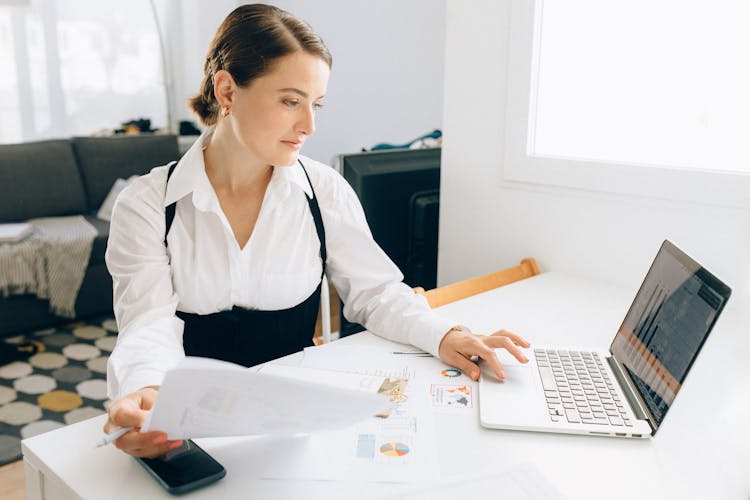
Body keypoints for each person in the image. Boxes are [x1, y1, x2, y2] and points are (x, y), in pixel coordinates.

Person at [103, 3, 530, 458]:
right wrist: (150, 396)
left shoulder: (323, 190)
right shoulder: (147, 205)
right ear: (226, 90)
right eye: (290, 101)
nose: (309, 126)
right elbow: (147, 327)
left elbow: (376, 293)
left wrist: (443, 334)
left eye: (316, 103)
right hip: (188, 429)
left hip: (290, 428)